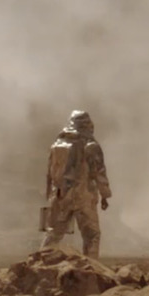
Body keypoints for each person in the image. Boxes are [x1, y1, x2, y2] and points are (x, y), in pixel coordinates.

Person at [41, 110, 111, 258]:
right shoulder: (91, 145)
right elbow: (99, 172)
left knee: (53, 233)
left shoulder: (57, 145)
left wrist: (50, 194)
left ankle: (40, 264)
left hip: (60, 196)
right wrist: (105, 195)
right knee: (91, 235)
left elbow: (49, 173)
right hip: (83, 195)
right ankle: (92, 267)